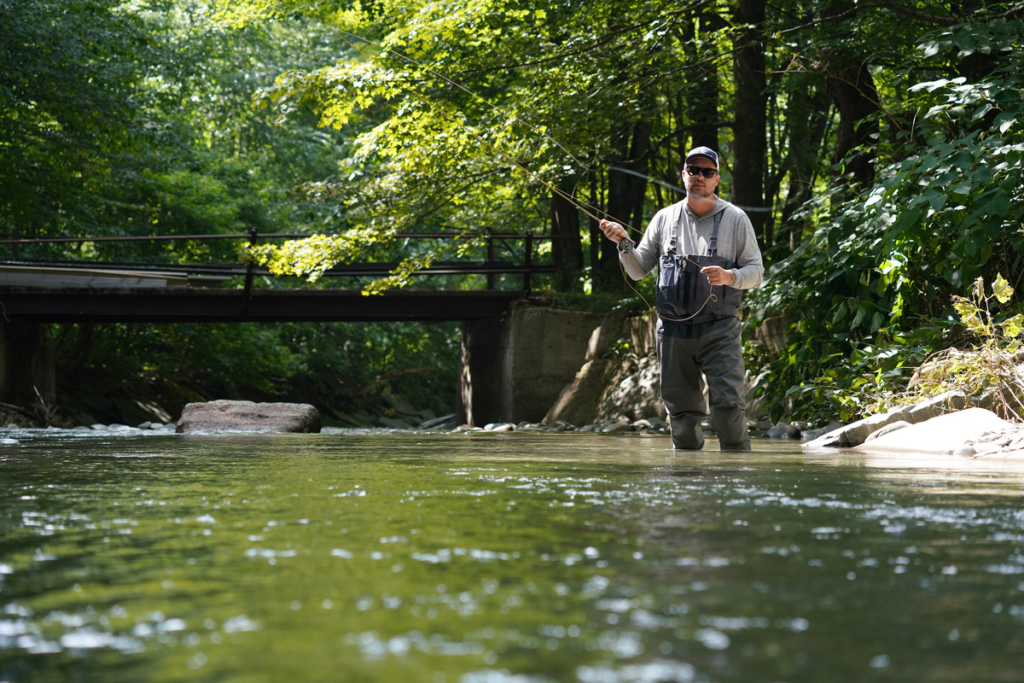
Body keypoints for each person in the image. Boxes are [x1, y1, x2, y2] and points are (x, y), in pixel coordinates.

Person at [599, 146, 763, 451]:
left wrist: (730, 278)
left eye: (707, 172)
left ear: (716, 179)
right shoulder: (664, 218)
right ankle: (687, 487)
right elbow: (638, 271)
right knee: (683, 422)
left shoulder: (736, 219)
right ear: (684, 175)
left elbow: (757, 272)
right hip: (672, 333)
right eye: (693, 170)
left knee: (728, 412)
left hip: (720, 329)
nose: (699, 176)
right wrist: (622, 244)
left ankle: (737, 487)